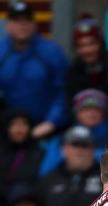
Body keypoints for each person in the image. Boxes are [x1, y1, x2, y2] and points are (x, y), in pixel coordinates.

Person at [0, 2, 70, 138]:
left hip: (48, 129)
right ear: (8, 25)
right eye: (17, 21)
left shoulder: (52, 52)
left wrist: (51, 122)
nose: (22, 25)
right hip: (9, 132)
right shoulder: (1, 53)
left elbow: (64, 91)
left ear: (34, 25)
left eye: (27, 20)